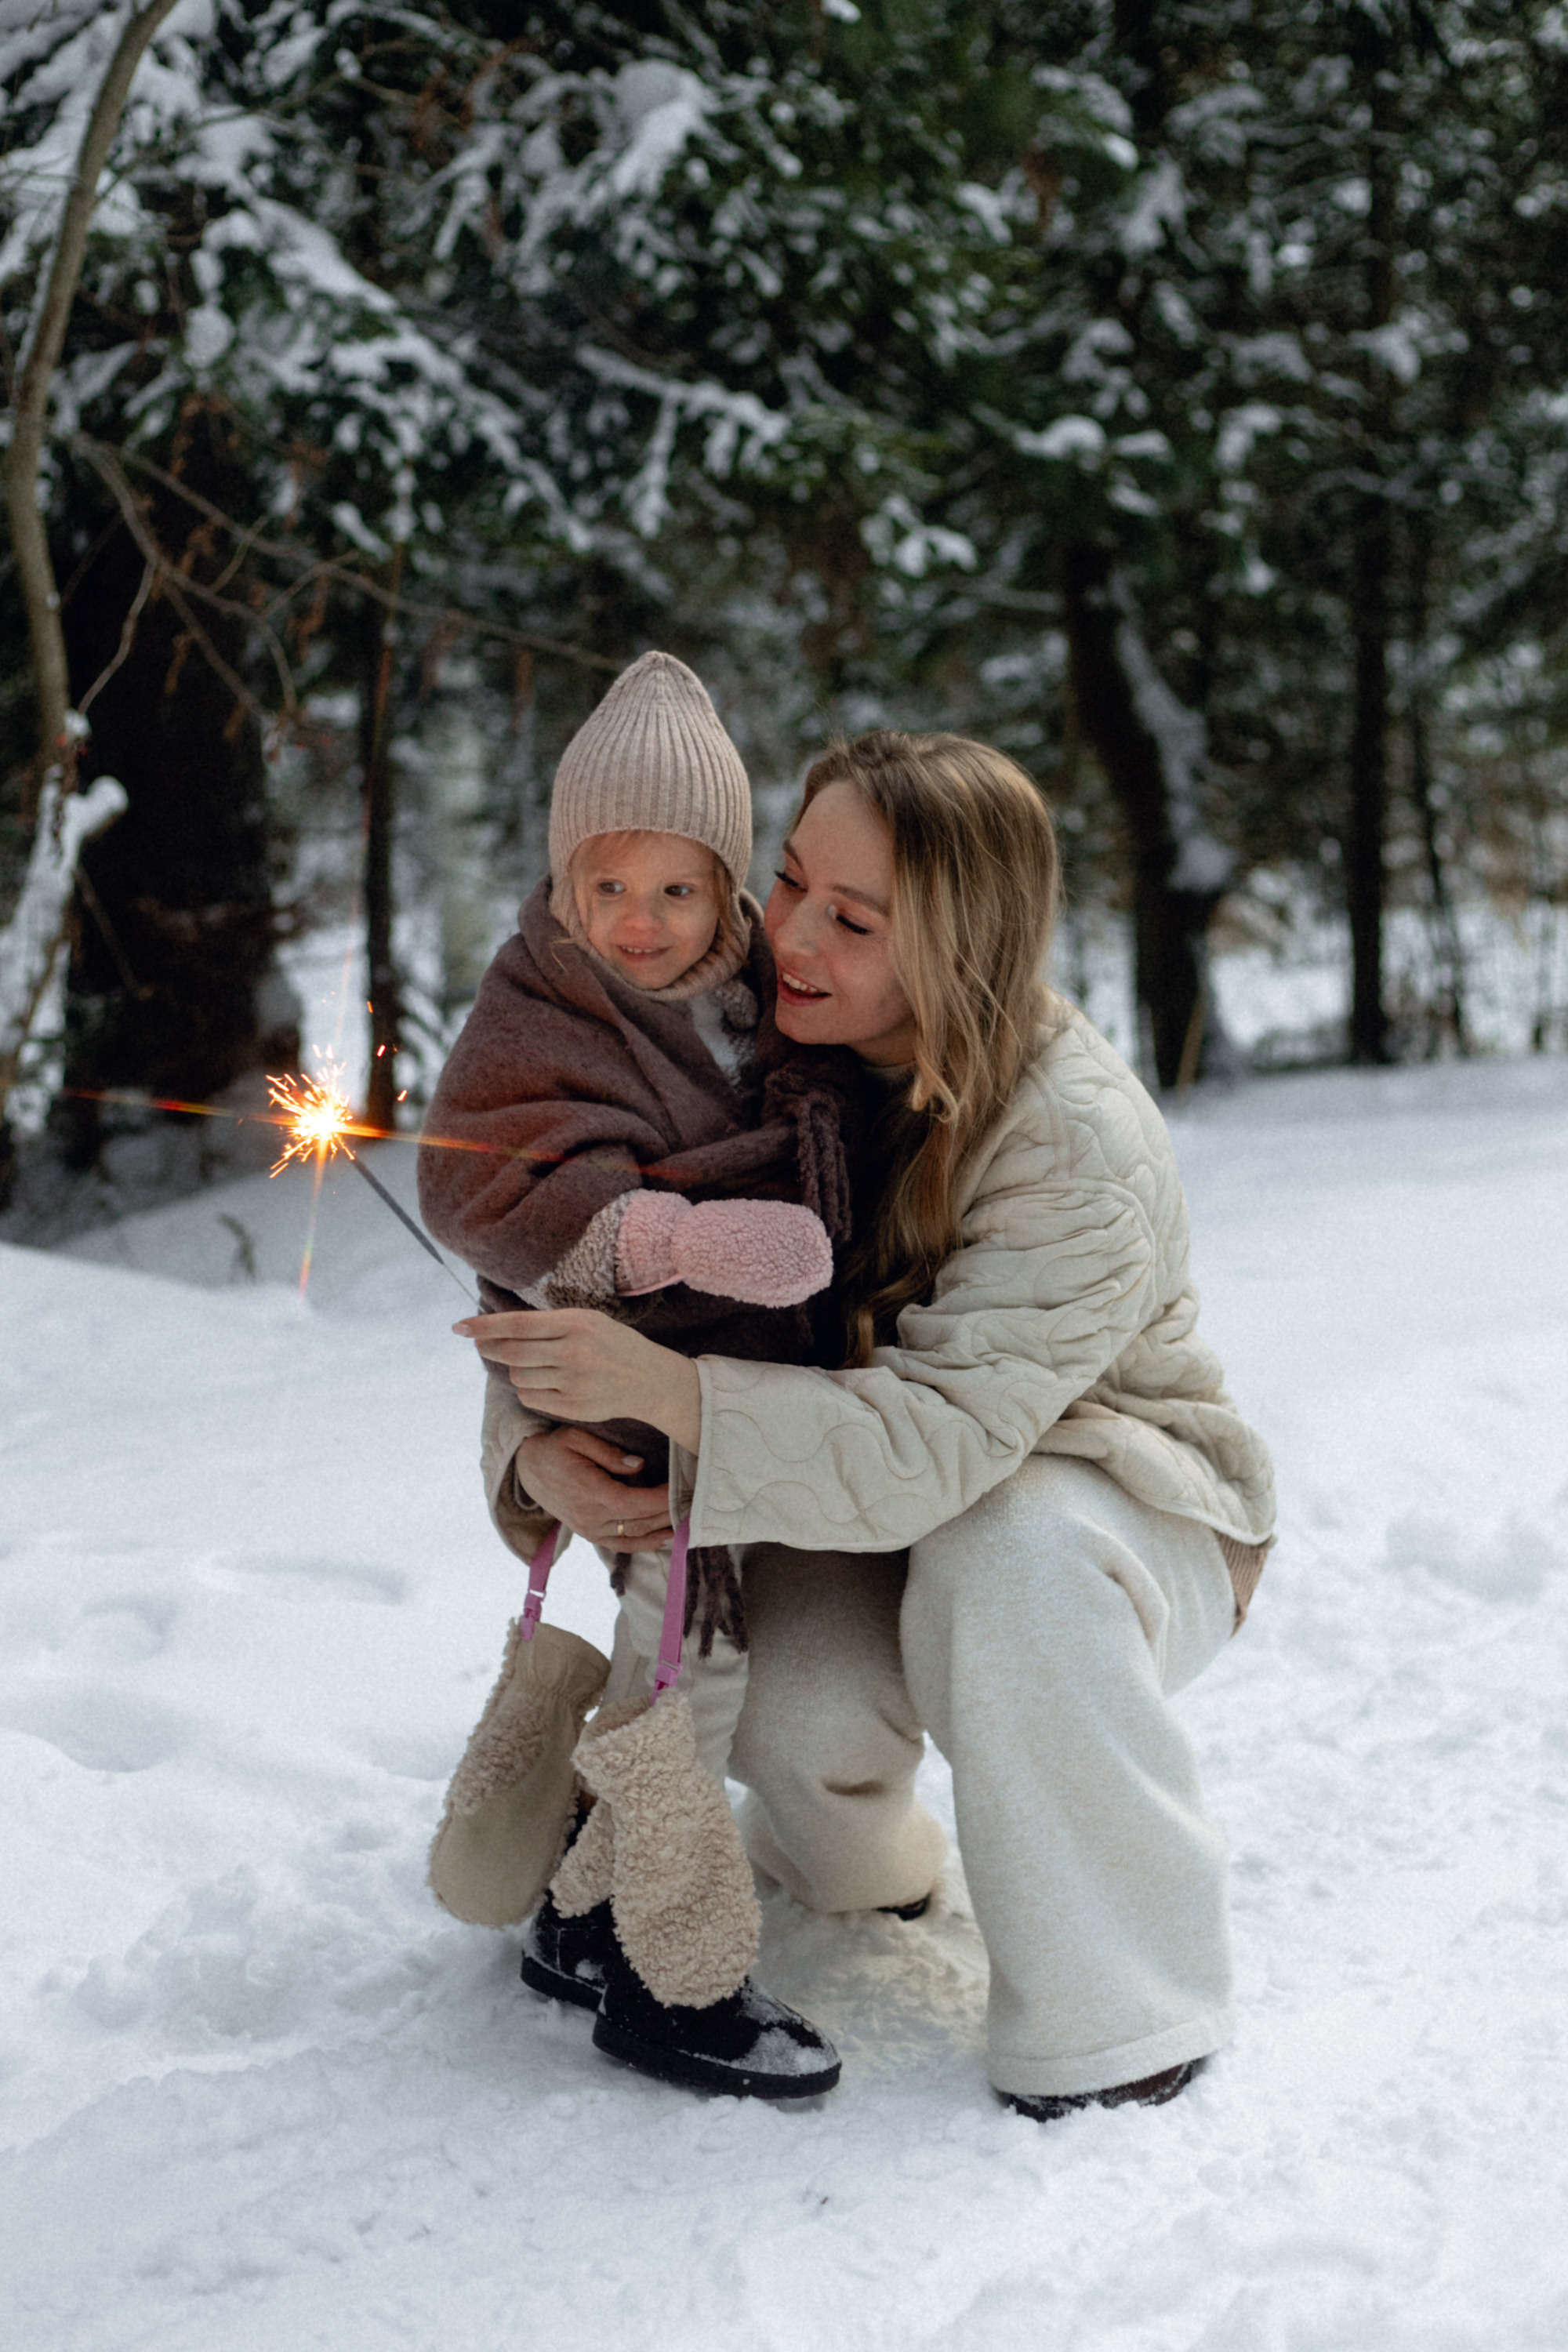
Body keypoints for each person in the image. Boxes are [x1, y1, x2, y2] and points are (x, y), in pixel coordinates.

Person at [462, 728, 1276, 2122]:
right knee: (771, 1669)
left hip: (1113, 1505)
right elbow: (579, 1248)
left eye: (854, 917)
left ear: (964, 943)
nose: (789, 935)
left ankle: (1120, 2010)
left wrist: (674, 1399)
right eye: (787, 883)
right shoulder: (746, 1046)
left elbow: (940, 1441)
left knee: (1005, 1560)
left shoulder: (1072, 1138)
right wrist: (536, 1453)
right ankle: (859, 1861)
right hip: (876, 1494)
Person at [422, 651, 865, 2099]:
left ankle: (570, 1912)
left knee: (657, 1647)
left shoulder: (763, 998)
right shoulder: (534, 1004)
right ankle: (666, 1970)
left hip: (735, 1399)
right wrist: (675, 1232)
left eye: (678, 889)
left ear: (729, 890)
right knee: (689, 1668)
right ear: (565, 881)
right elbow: (484, 1189)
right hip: (624, 1390)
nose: (642, 922)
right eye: (611, 886)